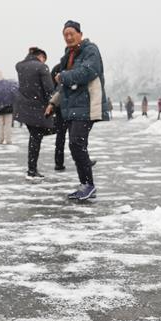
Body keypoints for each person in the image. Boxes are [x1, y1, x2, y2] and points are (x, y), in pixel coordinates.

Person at [45, 20, 108, 200]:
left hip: (87, 106)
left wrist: (63, 76)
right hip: (72, 107)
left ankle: (88, 184)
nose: (68, 37)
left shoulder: (90, 50)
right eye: (65, 34)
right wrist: (53, 103)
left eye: (71, 33)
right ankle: (85, 184)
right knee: (76, 145)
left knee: (76, 143)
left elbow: (87, 72)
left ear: (80, 34)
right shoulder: (68, 55)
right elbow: (64, 86)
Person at [15, 47, 55, 178]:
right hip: (38, 108)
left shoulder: (20, 66)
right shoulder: (42, 67)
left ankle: (32, 168)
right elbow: (49, 89)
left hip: (24, 108)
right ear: (41, 56)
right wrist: (53, 103)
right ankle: (32, 170)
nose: (44, 62)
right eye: (44, 59)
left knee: (35, 137)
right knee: (36, 137)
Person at [51, 64, 69, 171]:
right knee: (77, 137)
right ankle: (83, 160)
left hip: (60, 108)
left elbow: (52, 88)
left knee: (60, 137)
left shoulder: (57, 68)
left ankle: (59, 162)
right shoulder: (72, 68)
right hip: (69, 107)